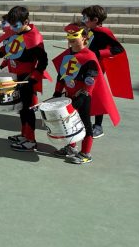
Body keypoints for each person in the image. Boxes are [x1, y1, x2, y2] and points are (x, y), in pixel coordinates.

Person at [51, 24, 120, 164]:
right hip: (69, 95)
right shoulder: (68, 54)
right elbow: (61, 76)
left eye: (74, 36)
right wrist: (57, 92)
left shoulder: (89, 57)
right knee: (69, 124)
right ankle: (71, 147)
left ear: (84, 38)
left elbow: (91, 79)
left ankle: (86, 153)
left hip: (83, 96)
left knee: (85, 124)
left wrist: (83, 95)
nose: (70, 39)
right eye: (69, 36)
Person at [0, 6, 49, 152]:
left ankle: (31, 140)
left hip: (27, 78)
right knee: (21, 108)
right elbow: (10, 46)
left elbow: (43, 61)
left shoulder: (34, 38)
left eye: (15, 25)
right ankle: (24, 134)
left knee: (28, 109)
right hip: (15, 76)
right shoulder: (16, 32)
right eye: (11, 25)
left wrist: (34, 76)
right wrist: (0, 54)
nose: (13, 28)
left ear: (26, 22)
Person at [81, 5, 132, 138]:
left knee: (97, 95)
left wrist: (98, 53)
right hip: (86, 65)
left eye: (85, 18)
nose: (83, 20)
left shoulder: (104, 32)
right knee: (83, 92)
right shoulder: (90, 30)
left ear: (95, 20)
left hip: (96, 67)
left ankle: (98, 125)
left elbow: (118, 49)